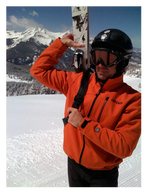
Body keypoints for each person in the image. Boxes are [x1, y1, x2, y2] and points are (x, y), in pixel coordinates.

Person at [30, 29, 144, 190]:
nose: (100, 64)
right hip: (74, 166)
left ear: (122, 62)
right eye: (97, 56)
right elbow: (38, 70)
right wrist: (60, 45)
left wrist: (84, 124)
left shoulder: (132, 100)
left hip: (103, 175)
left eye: (108, 59)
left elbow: (124, 147)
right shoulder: (75, 82)